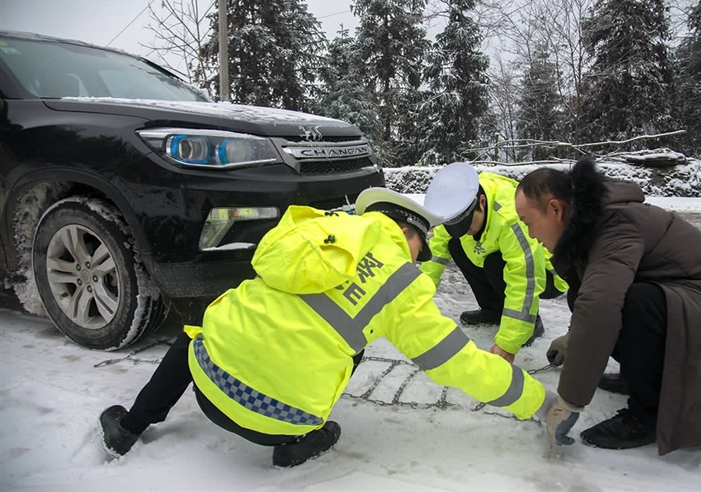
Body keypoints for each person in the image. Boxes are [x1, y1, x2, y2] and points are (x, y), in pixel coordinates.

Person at [99, 187, 556, 467]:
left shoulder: (317, 228)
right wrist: (536, 398)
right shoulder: (403, 282)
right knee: (349, 341)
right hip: (277, 422)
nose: (419, 259)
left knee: (207, 322)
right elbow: (460, 365)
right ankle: (299, 440)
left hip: (207, 381)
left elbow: (262, 260)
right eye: (420, 248)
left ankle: (132, 426)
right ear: (410, 236)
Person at [514, 157, 701, 454]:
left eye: (529, 223)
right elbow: (593, 295)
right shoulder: (592, 224)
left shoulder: (615, 224)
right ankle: (643, 378)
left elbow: (601, 307)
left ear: (556, 209)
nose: (531, 235)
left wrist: (568, 402)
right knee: (587, 297)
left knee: (634, 303)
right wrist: (574, 338)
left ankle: (648, 414)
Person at [421, 162, 567, 364]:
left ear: (482, 202)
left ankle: (531, 323)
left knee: (494, 262)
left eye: (468, 224)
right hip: (497, 257)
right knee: (456, 245)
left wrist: (508, 342)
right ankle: (493, 309)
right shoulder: (459, 205)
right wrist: (418, 296)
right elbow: (436, 252)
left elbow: (525, 278)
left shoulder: (510, 217)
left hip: (548, 274)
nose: (466, 230)